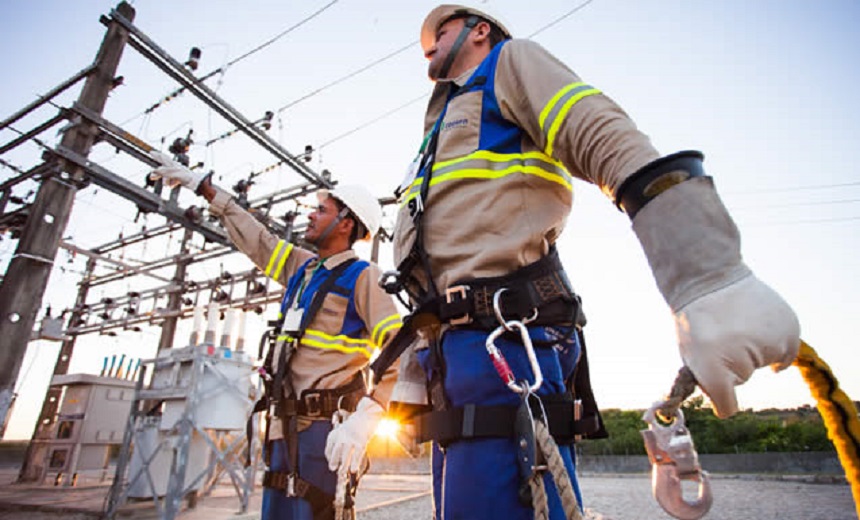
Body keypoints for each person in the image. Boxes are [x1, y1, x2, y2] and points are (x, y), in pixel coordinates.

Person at [372, 4, 801, 520]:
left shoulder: (510, 63)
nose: (427, 42)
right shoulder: (437, 129)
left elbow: (599, 132)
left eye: (438, 31)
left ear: (478, 30)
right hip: (452, 351)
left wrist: (704, 270)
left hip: (505, 343)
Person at [148, 155, 403, 520]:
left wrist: (370, 416)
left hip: (325, 433)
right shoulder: (301, 269)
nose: (311, 215)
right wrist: (203, 188)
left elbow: (401, 349)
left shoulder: (364, 278)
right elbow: (258, 239)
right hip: (282, 428)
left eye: (321, 210)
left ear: (346, 223)